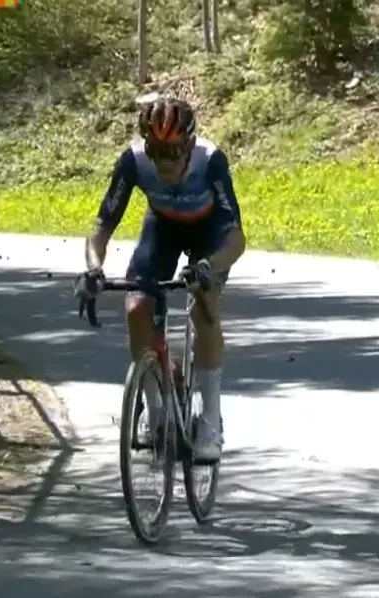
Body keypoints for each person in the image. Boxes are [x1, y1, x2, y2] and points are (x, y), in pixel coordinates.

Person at [74, 96, 246, 462]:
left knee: (204, 312)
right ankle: (157, 413)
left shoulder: (210, 159)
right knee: (137, 306)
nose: (164, 161)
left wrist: (209, 268)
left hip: (209, 234)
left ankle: (211, 421)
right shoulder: (134, 161)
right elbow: (101, 228)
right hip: (163, 228)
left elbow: (235, 239)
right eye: (156, 151)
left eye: (173, 151)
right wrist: (92, 268)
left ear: (188, 144)